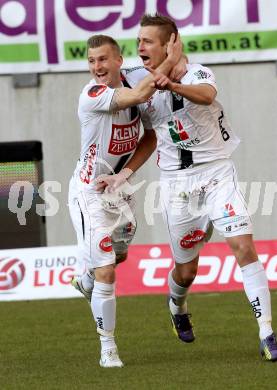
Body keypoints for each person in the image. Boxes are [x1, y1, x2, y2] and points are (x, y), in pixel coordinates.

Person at [97, 13, 277, 362]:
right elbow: (147, 133)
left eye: (148, 40)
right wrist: (125, 173)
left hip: (216, 174)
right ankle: (177, 304)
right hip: (178, 185)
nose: (140, 46)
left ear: (170, 43)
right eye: (138, 41)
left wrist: (174, 84)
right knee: (186, 270)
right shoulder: (141, 83)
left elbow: (205, 95)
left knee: (243, 247)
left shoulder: (198, 73)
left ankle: (267, 333)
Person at [68, 33, 183, 368]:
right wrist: (171, 59)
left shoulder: (133, 80)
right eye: (91, 61)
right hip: (89, 193)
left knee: (117, 254)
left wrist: (124, 173)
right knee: (107, 271)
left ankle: (85, 278)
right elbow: (141, 92)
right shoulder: (92, 94)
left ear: (119, 60)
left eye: (103, 59)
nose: (97, 67)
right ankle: (108, 348)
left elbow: (149, 137)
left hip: (117, 190)